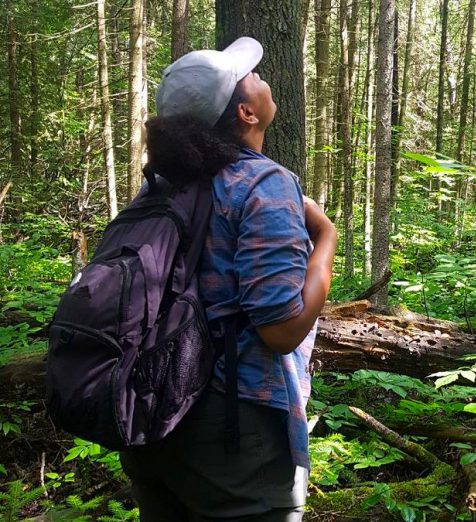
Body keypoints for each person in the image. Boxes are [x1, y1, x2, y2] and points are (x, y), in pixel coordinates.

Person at [119, 37, 337, 521]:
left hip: (150, 414)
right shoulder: (263, 183)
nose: (263, 78)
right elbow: (281, 330)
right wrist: (325, 239)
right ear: (246, 113)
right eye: (253, 76)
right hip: (232, 430)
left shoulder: (158, 189)